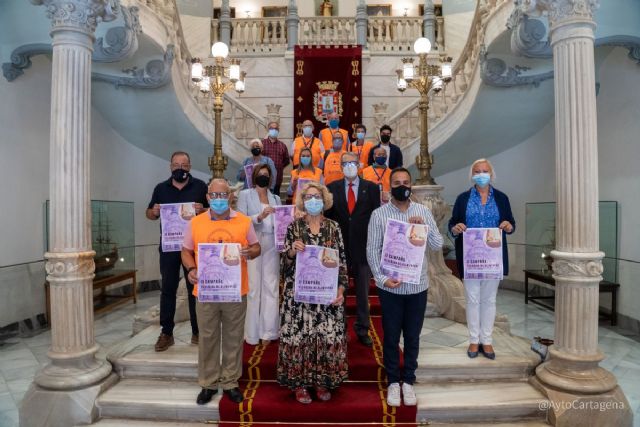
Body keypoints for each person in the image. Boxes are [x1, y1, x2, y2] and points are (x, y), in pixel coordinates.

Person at [366, 168, 443, 407]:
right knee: (390, 336)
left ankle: (408, 380)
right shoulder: (379, 215)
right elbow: (372, 249)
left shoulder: (422, 211)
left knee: (412, 336)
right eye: (397, 182)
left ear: (411, 185)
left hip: (417, 286)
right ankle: (392, 381)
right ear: (390, 187)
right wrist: (381, 278)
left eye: (406, 182)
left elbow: (438, 243)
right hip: (391, 287)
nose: (402, 186)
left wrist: (424, 228)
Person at [181, 179, 261, 405]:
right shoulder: (195, 223)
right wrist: (192, 268)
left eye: (222, 195)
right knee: (207, 337)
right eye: (214, 196)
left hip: (235, 291)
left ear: (230, 197)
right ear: (207, 197)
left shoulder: (244, 222)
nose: (218, 199)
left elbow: (257, 247)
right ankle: (208, 383)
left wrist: (249, 251)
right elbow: (185, 251)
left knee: (234, 338)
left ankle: (230, 382)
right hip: (206, 291)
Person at [277, 181, 348, 404]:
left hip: (326, 297)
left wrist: (341, 288)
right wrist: (290, 252)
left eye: (317, 196)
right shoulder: (294, 227)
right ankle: (300, 384)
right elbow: (284, 266)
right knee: (301, 339)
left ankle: (322, 381)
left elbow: (342, 263)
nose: (313, 201)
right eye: (308, 197)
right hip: (299, 298)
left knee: (324, 337)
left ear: (324, 200)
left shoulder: (334, 228)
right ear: (302, 201)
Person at [448, 158, 515, 360]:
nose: (481, 174)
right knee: (473, 299)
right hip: (470, 258)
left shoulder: (502, 198)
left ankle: (487, 341)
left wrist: (508, 226)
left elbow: (511, 223)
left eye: (485, 170)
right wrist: (455, 227)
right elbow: (452, 223)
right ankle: (474, 340)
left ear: (491, 174)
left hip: (493, 259)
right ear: (472, 175)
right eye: (477, 171)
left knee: (489, 299)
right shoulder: (463, 199)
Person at [146, 151, 208, 352]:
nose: (180, 167)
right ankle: (166, 332)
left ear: (189, 166)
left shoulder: (200, 186)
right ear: (170, 166)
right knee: (168, 288)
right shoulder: (160, 188)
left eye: (184, 164)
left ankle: (197, 331)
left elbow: (213, 212)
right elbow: (149, 214)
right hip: (169, 248)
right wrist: (154, 212)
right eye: (176, 164)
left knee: (195, 289)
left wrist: (203, 210)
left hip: (192, 248)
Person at [326, 152, 380, 346]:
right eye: (345, 163)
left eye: (353, 162)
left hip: (363, 248)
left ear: (359, 164)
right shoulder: (331, 188)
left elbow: (376, 217)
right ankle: (338, 329)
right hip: (338, 249)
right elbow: (328, 219)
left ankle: (363, 328)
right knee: (339, 292)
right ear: (340, 166)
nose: (349, 166)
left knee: (363, 293)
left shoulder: (372, 188)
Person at [236, 165, 282, 345]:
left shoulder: (276, 198)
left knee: (271, 287)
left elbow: (282, 221)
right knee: (254, 288)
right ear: (254, 176)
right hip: (253, 243)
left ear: (270, 178)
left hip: (272, 243)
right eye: (260, 174)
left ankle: (268, 332)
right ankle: (252, 333)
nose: (263, 177)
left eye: (266, 174)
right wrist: (260, 216)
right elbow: (240, 220)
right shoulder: (245, 195)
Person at [261, 121, 290, 196]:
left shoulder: (282, 145)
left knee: (275, 199)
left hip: (277, 178)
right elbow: (258, 159)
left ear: (278, 130)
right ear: (268, 129)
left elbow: (286, 160)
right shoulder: (261, 144)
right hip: (264, 178)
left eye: (276, 128)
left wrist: (279, 167)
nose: (274, 130)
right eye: (271, 128)